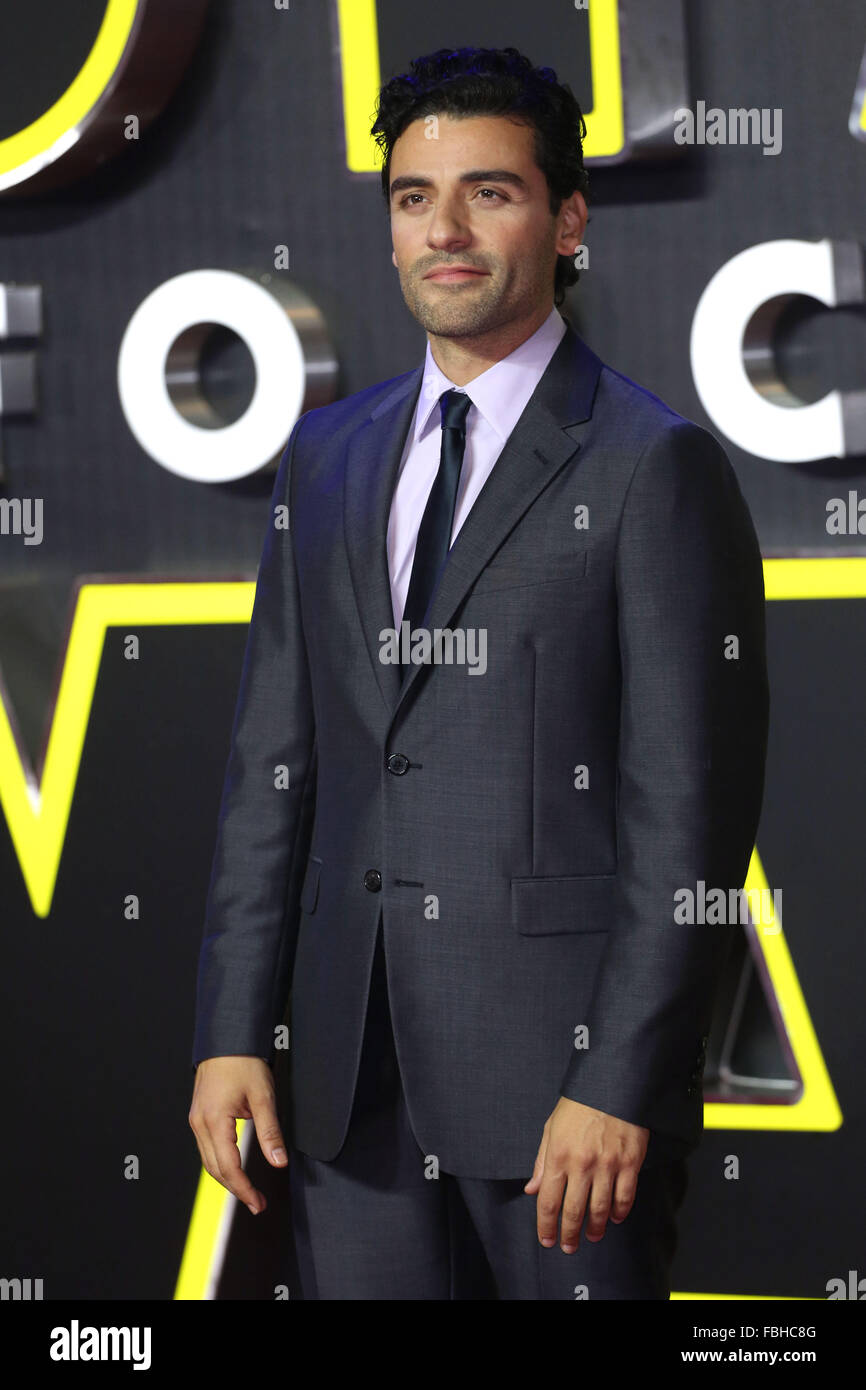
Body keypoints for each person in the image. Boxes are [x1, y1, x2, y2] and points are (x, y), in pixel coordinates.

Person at [189, 45, 769, 1300]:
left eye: (487, 193)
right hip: (344, 1089)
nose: (442, 230)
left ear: (565, 219)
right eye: (412, 197)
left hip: (562, 1105)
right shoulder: (325, 461)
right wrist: (234, 1031)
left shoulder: (649, 464)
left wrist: (614, 1078)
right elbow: (270, 774)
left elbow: (690, 822)